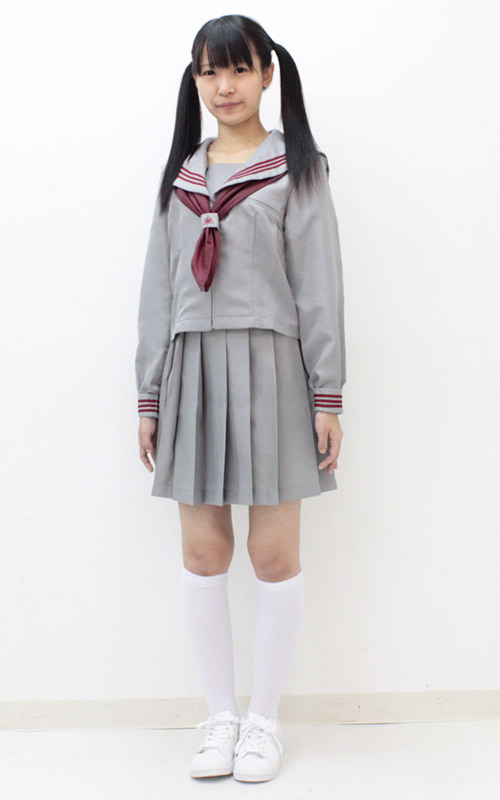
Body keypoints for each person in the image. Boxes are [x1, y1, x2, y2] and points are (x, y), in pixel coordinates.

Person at [134, 14, 346, 784]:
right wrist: (149, 395)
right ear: (194, 80)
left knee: (273, 552)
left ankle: (264, 723)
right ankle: (221, 718)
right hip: (192, 371)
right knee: (202, 551)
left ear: (266, 75)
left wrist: (328, 394)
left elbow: (319, 285)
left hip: (273, 370)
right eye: (208, 71)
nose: (223, 86)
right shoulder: (180, 178)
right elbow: (158, 291)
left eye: (239, 69)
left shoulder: (298, 169)